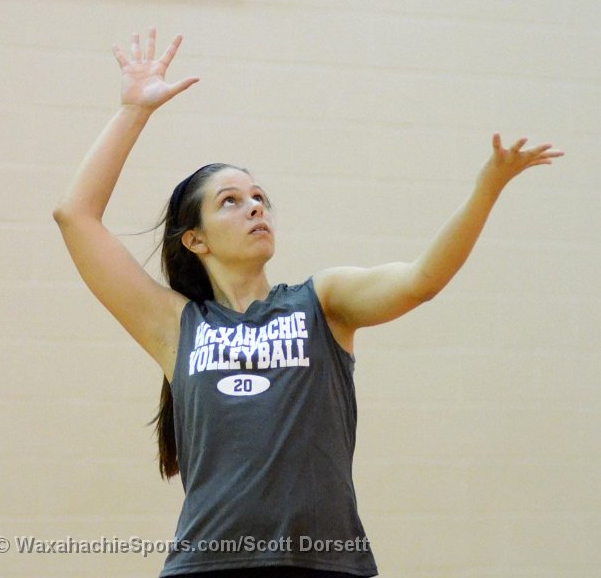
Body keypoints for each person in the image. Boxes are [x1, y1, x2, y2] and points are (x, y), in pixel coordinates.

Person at [53, 29, 563, 578]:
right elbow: (75, 216)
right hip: (208, 566)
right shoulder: (176, 325)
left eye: (259, 198)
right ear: (195, 239)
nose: (255, 207)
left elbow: (422, 280)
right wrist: (133, 110)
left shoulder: (322, 301)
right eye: (231, 201)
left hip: (327, 563)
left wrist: (488, 187)